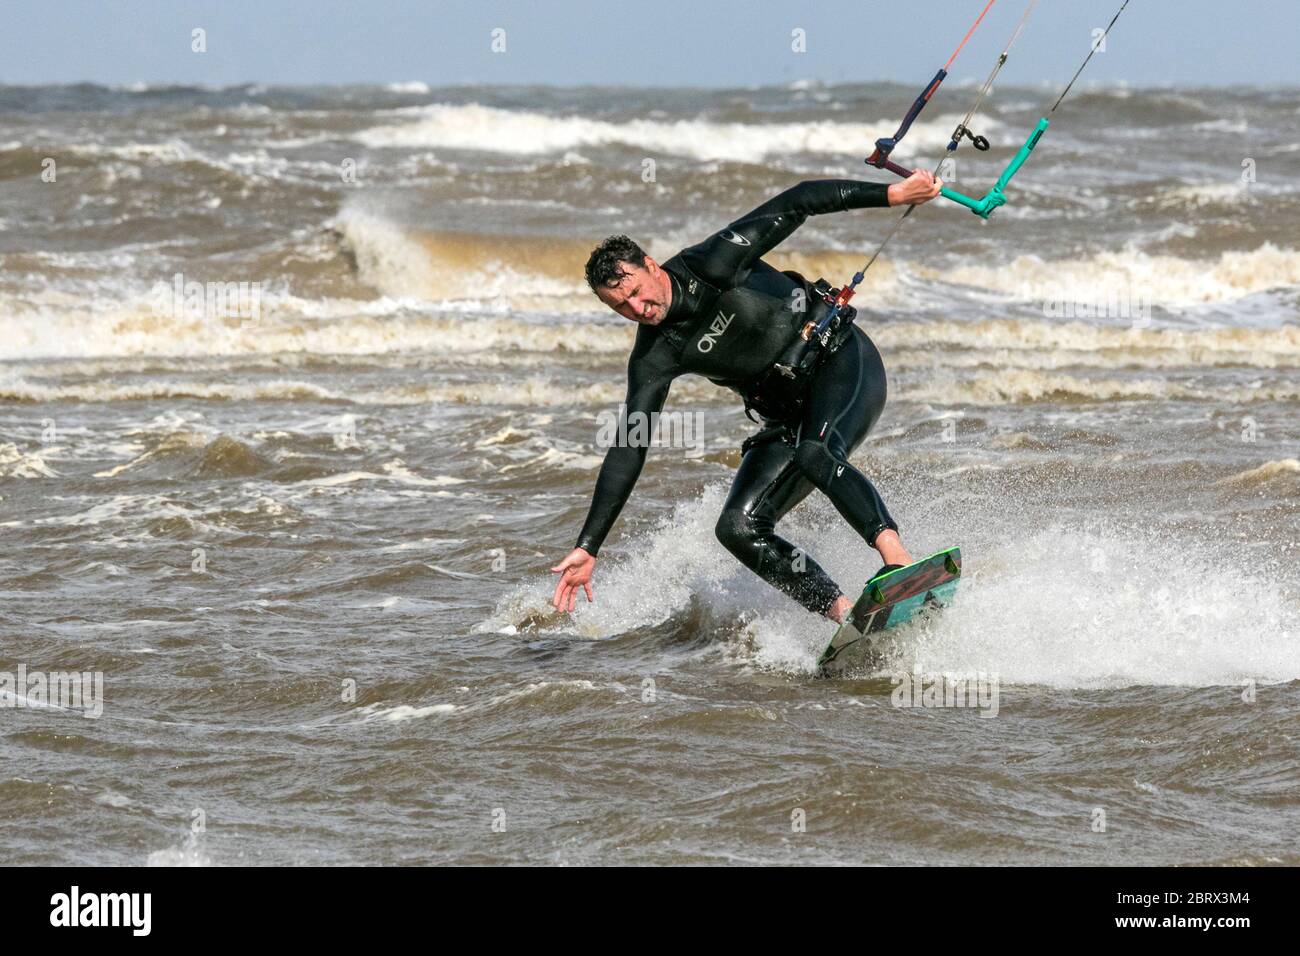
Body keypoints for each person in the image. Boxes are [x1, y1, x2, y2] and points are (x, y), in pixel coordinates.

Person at [551, 170, 942, 624]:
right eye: (620, 307)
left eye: (636, 292)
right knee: (737, 527)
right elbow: (629, 443)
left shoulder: (712, 264)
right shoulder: (654, 357)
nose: (638, 310)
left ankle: (898, 561)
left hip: (843, 362)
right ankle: (851, 618)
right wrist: (588, 545)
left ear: (652, 266)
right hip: (789, 412)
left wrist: (893, 194)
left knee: (816, 452)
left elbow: (799, 201)